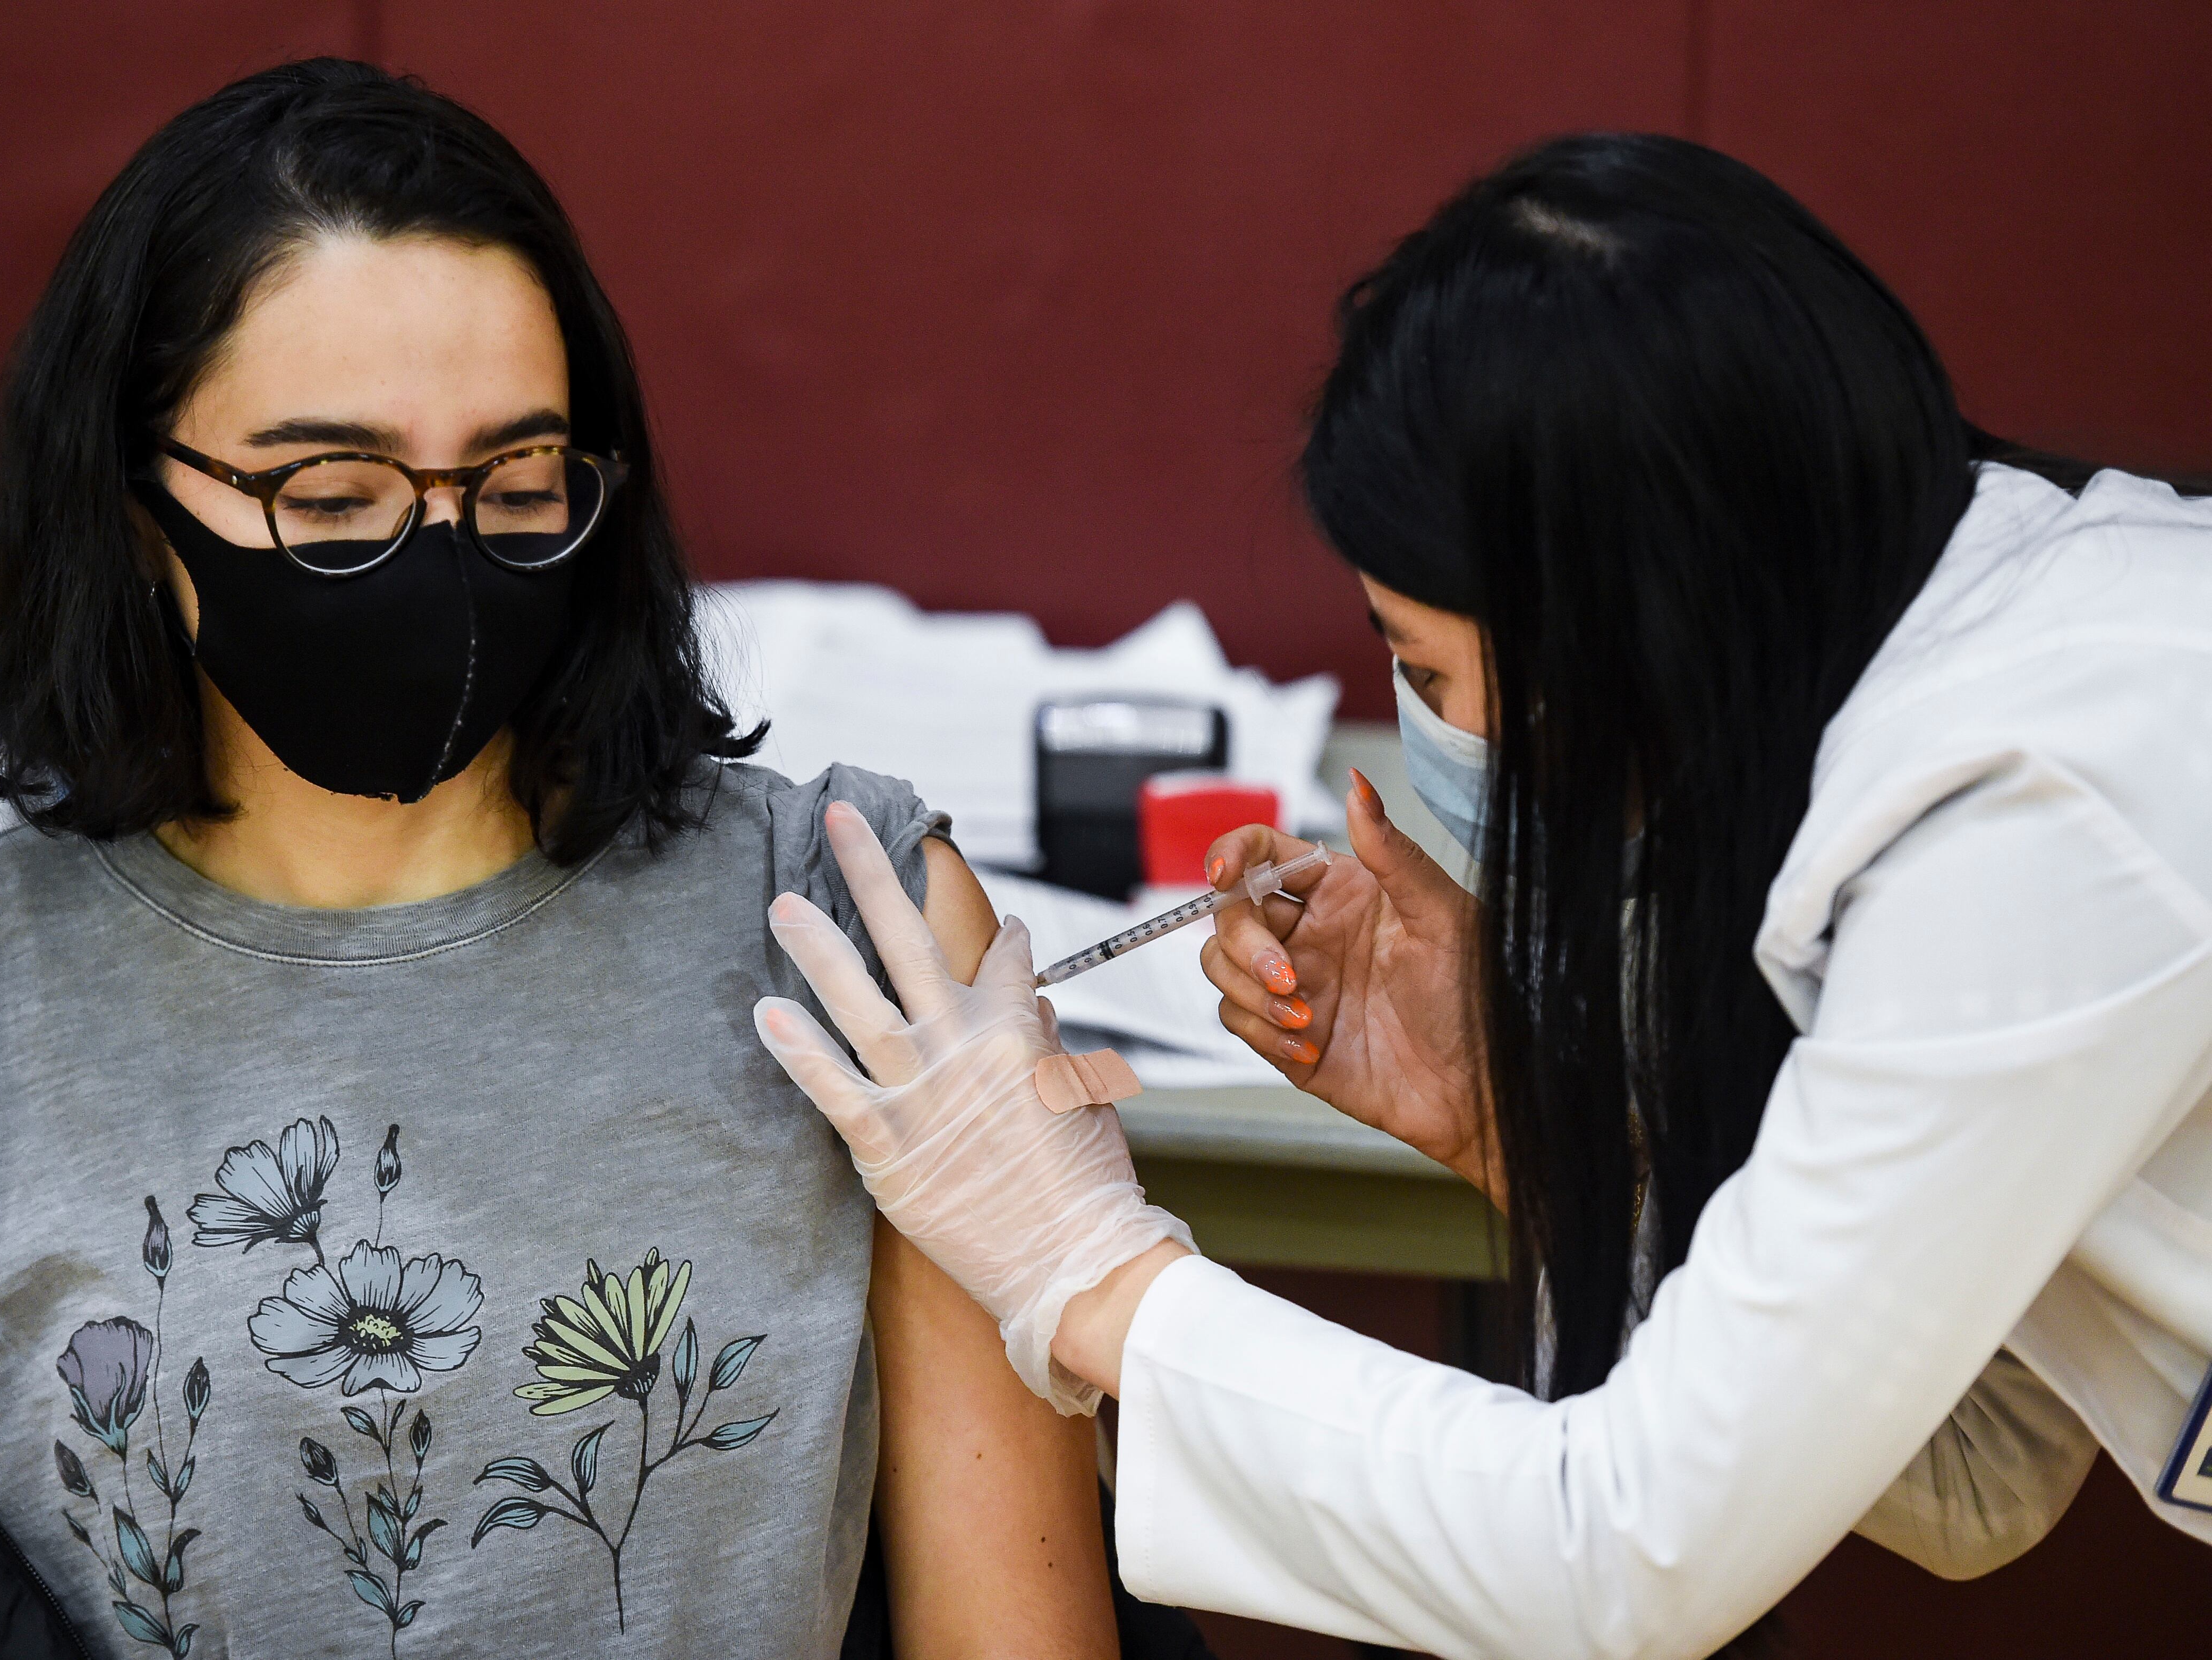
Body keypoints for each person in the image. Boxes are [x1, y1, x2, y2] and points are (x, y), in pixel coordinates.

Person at [0, 60, 1130, 1660]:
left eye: (521, 487)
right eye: (333, 498)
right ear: (128, 512)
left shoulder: (843, 927)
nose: (444, 561)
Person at [754, 133, 2212, 1658]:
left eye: (1427, 666)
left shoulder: (2037, 826)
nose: (1428, 723)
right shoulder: (1963, 675)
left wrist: (1091, 1274)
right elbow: (1979, 1463)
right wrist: (1513, 1112)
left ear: (1629, 627)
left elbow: (1627, 1560)